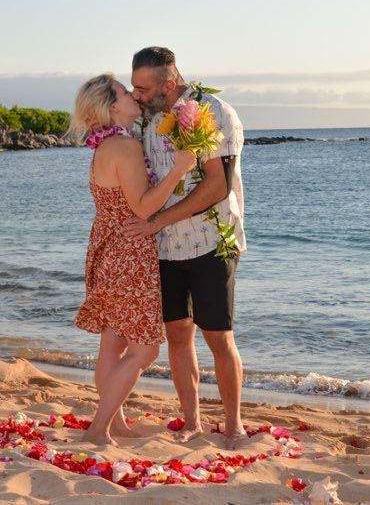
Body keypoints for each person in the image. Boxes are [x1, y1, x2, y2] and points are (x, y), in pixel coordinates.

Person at [125, 46, 248, 447]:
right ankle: (192, 421)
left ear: (170, 84)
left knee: (218, 335)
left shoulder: (214, 112)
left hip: (212, 241)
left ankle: (233, 425)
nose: (137, 95)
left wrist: (156, 221)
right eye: (133, 87)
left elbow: (217, 186)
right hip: (162, 248)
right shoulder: (143, 122)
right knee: (177, 333)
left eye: (143, 88)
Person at [71, 73, 196, 445]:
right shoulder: (124, 148)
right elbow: (142, 208)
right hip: (129, 252)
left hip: (107, 247)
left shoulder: (105, 147)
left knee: (113, 341)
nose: (132, 95)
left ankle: (115, 422)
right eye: (125, 92)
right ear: (111, 106)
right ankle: (98, 428)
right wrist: (179, 169)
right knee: (144, 349)